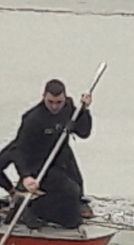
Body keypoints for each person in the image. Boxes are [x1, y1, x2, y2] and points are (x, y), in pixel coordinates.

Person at [11, 78, 93, 228]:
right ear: (44, 97)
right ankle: (30, 207)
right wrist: (25, 176)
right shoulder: (33, 119)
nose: (54, 106)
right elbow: (19, 150)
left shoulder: (68, 108)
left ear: (64, 98)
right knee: (71, 190)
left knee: (78, 192)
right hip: (39, 164)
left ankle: (61, 216)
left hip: (61, 158)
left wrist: (84, 111)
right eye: (50, 102)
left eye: (58, 102)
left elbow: (83, 132)